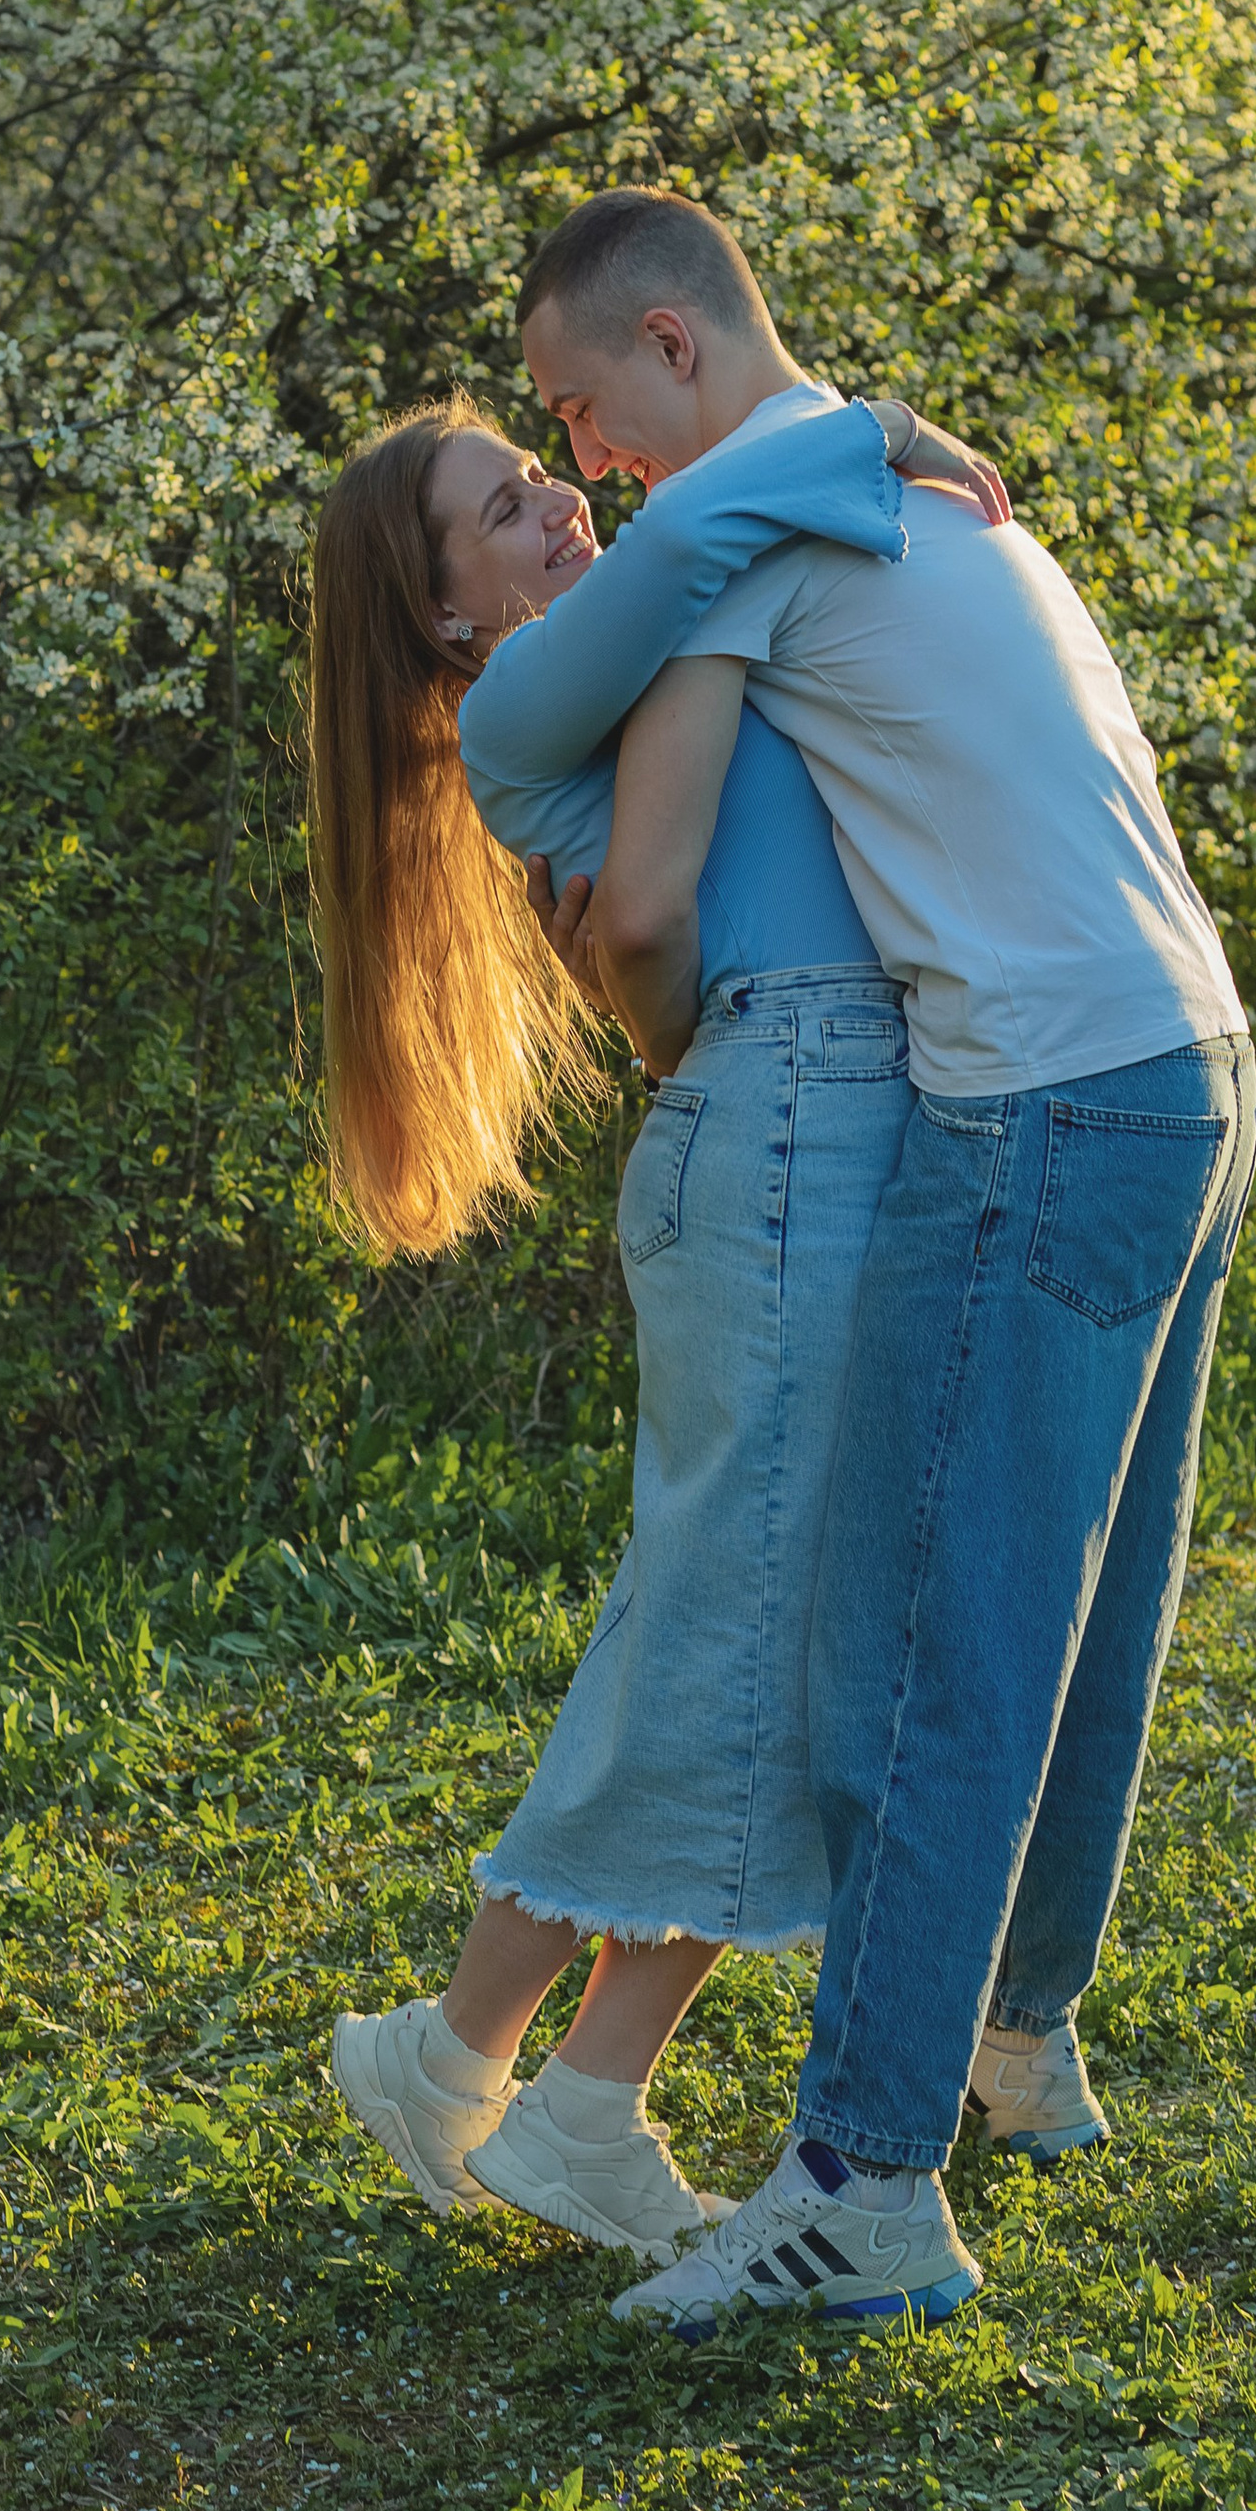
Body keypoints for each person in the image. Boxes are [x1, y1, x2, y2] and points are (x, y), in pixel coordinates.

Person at [458, 189, 1256, 2332]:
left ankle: (862, 2178)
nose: (590, 463)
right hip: (1189, 1058)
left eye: (581, 408)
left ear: (671, 346)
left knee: (943, 1641)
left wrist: (669, 1035)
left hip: (1048, 1096)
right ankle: (1015, 2038)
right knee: (1086, 1616)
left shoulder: (756, 523)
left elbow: (616, 836)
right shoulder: (932, 505)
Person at [305, 384, 999, 2267]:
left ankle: (516, 2071)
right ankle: (515, 2071)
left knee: (752, 1609)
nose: (557, 507)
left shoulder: (605, 664)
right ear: (449, 612)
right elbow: (707, 542)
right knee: (746, 1612)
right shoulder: (545, 690)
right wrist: (891, 436)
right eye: (504, 506)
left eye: (542, 475)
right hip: (776, 1145)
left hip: (793, 1136)